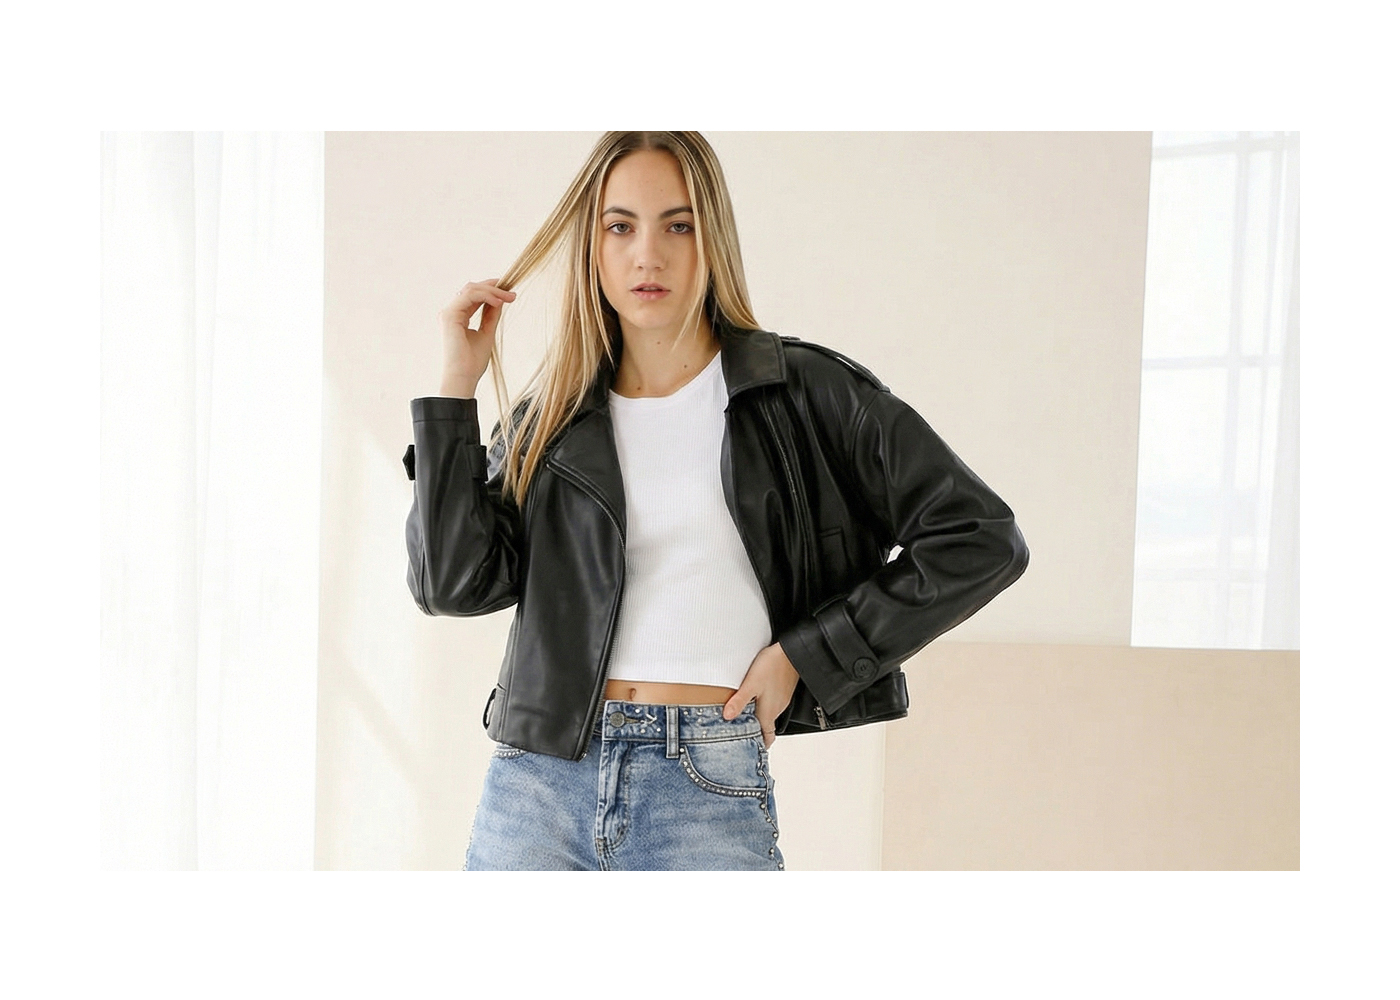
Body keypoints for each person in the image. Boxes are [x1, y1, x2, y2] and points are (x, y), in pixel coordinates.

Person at [402, 131, 1030, 871]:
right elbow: (451, 586)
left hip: (704, 781)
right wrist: (454, 389)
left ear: (713, 239)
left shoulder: (804, 392)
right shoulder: (552, 419)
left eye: (679, 224)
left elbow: (981, 537)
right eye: (620, 226)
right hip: (537, 786)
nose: (648, 255)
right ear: (592, 248)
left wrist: (808, 653)